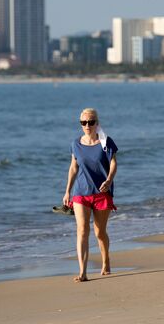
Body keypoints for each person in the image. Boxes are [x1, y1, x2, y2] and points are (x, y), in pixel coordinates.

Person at [63, 108, 118, 282]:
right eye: (84, 122)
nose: (87, 125)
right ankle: (82, 272)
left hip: (101, 193)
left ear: (97, 123)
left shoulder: (106, 142)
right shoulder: (76, 144)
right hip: (81, 193)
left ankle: (106, 260)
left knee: (100, 232)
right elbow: (73, 168)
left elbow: (113, 163)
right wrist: (67, 191)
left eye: (91, 122)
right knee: (82, 230)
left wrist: (109, 180)